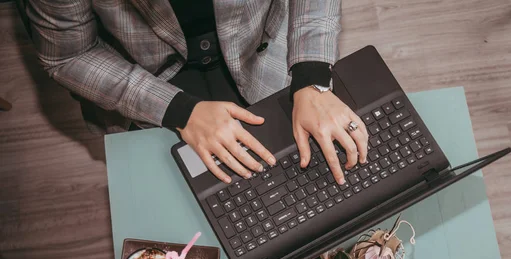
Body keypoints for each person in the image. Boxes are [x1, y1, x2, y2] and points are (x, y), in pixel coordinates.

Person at [27, 0, 368, 185]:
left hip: (259, 51)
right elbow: (70, 55)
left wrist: (313, 75)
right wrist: (176, 109)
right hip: (146, 76)